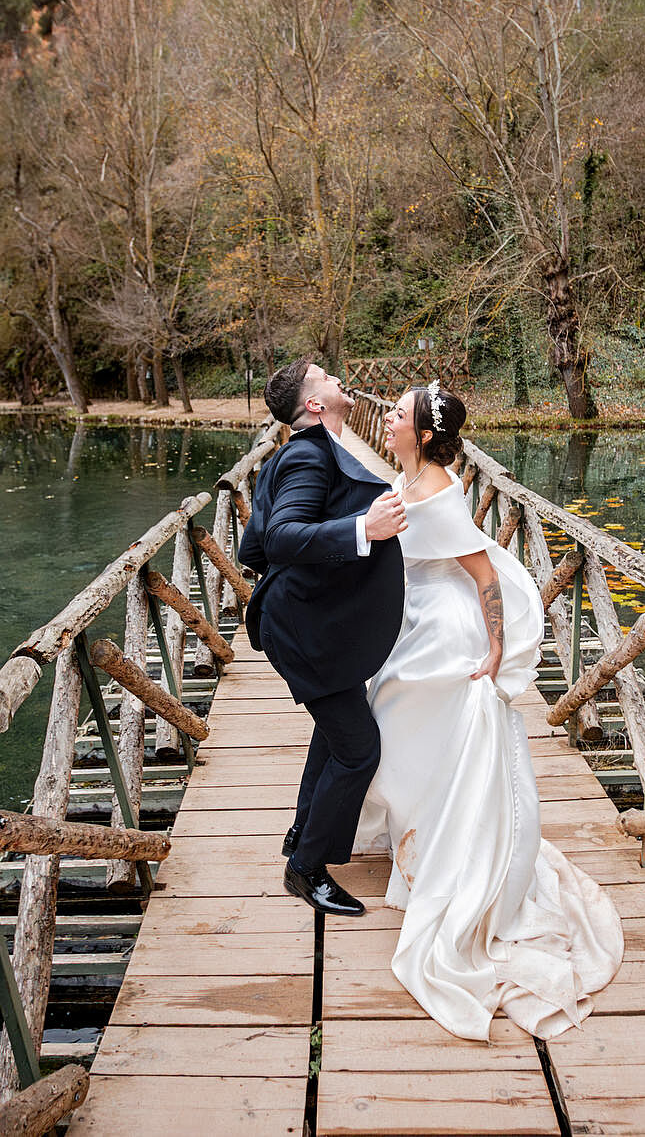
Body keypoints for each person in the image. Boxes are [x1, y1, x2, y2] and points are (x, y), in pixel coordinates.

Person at [352, 381, 623, 1040]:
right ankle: (420, 843)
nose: (384, 418)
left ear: (420, 435)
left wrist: (496, 646)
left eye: (395, 414)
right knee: (403, 741)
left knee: (425, 741)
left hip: (447, 637)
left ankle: (449, 855)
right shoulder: (408, 473)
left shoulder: (439, 491)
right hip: (413, 621)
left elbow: (484, 575)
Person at [237, 358, 410, 916]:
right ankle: (306, 868)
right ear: (314, 404)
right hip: (303, 631)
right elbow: (283, 537)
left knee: (334, 737)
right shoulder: (309, 455)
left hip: (312, 623)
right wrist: (365, 528)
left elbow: (254, 548)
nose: (340, 381)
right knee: (359, 750)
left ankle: (300, 835)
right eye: (328, 379)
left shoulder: (305, 452)